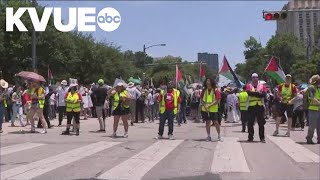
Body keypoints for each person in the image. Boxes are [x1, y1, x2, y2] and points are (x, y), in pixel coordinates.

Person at [246, 73, 267, 143]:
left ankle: (262, 138)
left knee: (261, 123)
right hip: (251, 106)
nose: (255, 78)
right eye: (254, 77)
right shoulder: (249, 85)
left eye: (256, 77)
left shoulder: (262, 86)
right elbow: (249, 93)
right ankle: (250, 137)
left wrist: (255, 93)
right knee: (250, 123)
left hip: (260, 106)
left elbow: (264, 94)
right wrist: (258, 93)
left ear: (258, 78)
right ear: (252, 78)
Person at [305, 75, 320, 144]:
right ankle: (309, 138)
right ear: (316, 80)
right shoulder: (312, 87)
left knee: (319, 126)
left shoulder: (318, 88)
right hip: (313, 109)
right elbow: (312, 98)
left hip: (318, 109)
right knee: (312, 126)